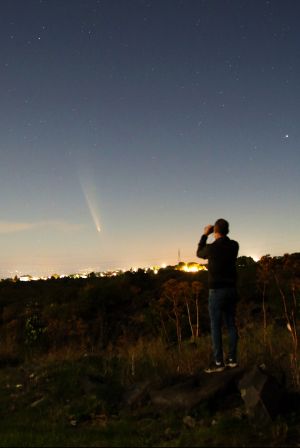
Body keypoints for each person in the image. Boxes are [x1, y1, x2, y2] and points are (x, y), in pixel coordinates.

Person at [197, 218, 239, 373]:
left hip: (216, 291)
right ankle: (232, 360)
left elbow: (199, 253)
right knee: (231, 324)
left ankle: (219, 363)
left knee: (215, 326)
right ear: (227, 230)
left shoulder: (211, 248)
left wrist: (204, 235)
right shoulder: (234, 245)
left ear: (215, 231)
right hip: (231, 289)